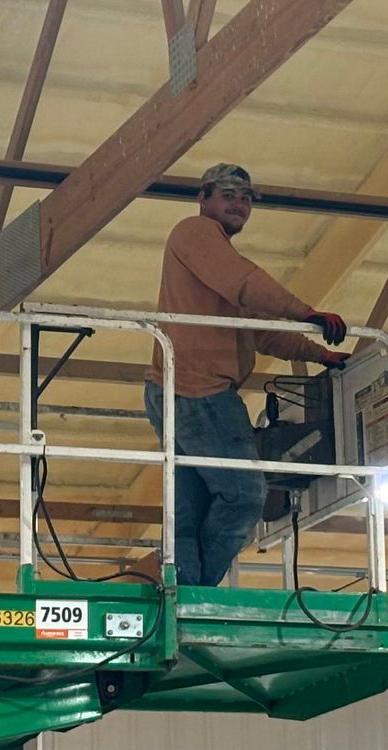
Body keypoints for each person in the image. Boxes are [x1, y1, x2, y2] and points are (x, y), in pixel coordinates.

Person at [144, 162, 350, 587]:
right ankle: (197, 592)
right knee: (243, 496)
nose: (239, 204)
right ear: (203, 199)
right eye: (228, 195)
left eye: (245, 198)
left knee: (190, 507)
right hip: (198, 392)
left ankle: (180, 591)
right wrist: (305, 312)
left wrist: (318, 354)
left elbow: (256, 326)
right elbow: (246, 285)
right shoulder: (196, 234)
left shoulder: (214, 266)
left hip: (172, 389)